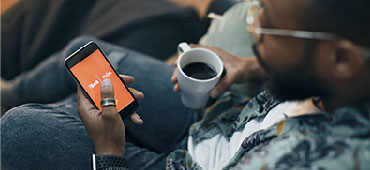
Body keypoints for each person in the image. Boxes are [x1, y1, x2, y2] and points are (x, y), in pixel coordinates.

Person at [2, 0, 370, 170]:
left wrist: (110, 152)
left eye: (266, 26)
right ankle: (9, 92)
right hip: (220, 120)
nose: (252, 31)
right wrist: (250, 65)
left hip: (190, 164)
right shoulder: (349, 73)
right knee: (88, 54)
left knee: (21, 131)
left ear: (342, 60)